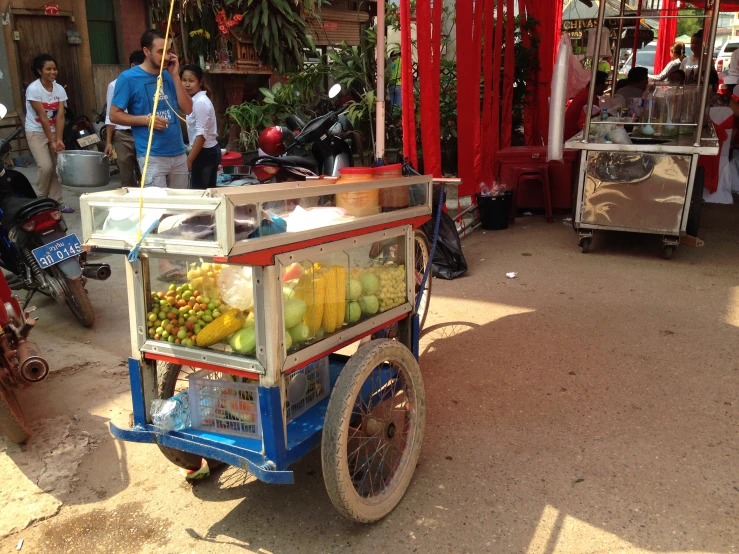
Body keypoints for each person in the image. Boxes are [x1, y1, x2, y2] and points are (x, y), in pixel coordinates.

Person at [110, 30, 193, 188]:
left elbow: (188, 109)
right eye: (161, 52)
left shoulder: (169, 75)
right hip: (152, 154)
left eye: (168, 51)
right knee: (158, 208)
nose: (166, 57)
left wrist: (176, 76)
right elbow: (114, 115)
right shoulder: (128, 78)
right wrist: (147, 120)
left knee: (181, 206)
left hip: (178, 151)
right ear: (146, 51)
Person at [24, 54, 74, 213]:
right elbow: (43, 117)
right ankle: (39, 202)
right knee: (45, 167)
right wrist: (51, 141)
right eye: (48, 69)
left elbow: (60, 116)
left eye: (54, 68)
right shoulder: (34, 89)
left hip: (54, 132)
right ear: (39, 71)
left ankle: (56, 203)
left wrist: (58, 139)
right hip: (36, 132)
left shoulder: (59, 89)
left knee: (55, 169)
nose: (53, 72)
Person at [104, 50, 146, 187]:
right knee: (126, 177)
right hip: (123, 135)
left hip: (143, 132)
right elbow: (111, 116)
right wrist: (109, 142)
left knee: (146, 175)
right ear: (133, 66)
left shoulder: (148, 82)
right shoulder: (115, 85)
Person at [180, 64, 220, 189]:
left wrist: (190, 159)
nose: (187, 85)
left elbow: (201, 135)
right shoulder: (195, 101)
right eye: (184, 80)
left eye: (191, 81)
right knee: (208, 191)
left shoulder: (200, 103)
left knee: (201, 193)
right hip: (207, 152)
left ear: (200, 82)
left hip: (204, 153)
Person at [564, 70, 608, 140]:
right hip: (573, 136)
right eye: (604, 85)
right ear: (599, 85)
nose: (605, 88)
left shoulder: (587, 93)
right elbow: (598, 117)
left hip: (572, 132)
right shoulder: (589, 96)